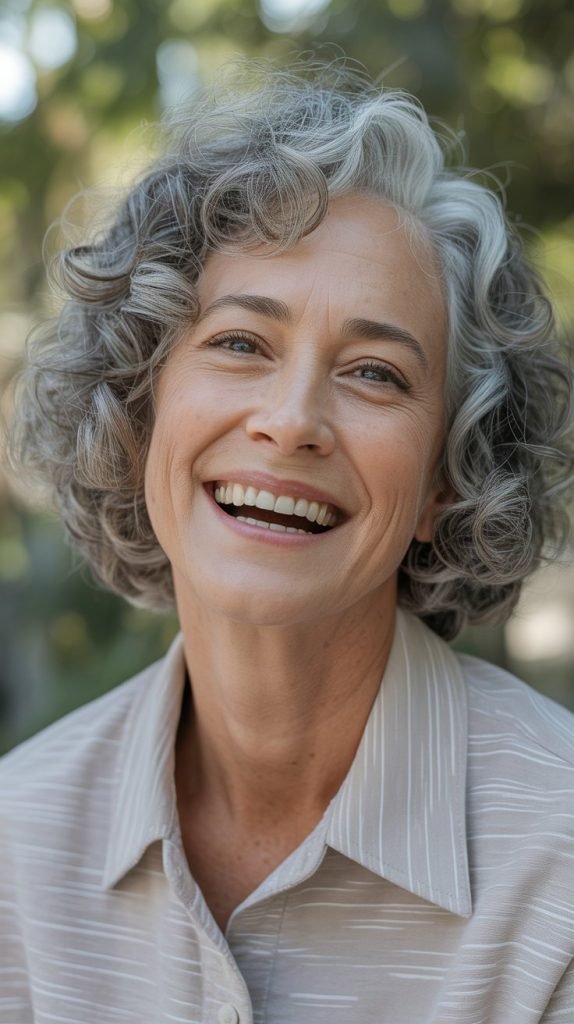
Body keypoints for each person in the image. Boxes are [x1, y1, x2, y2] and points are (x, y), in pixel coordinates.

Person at [1, 58, 573, 1024]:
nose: (293, 418)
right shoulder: (14, 847)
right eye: (240, 343)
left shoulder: (560, 866)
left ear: (448, 477)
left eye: (376, 373)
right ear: (142, 413)